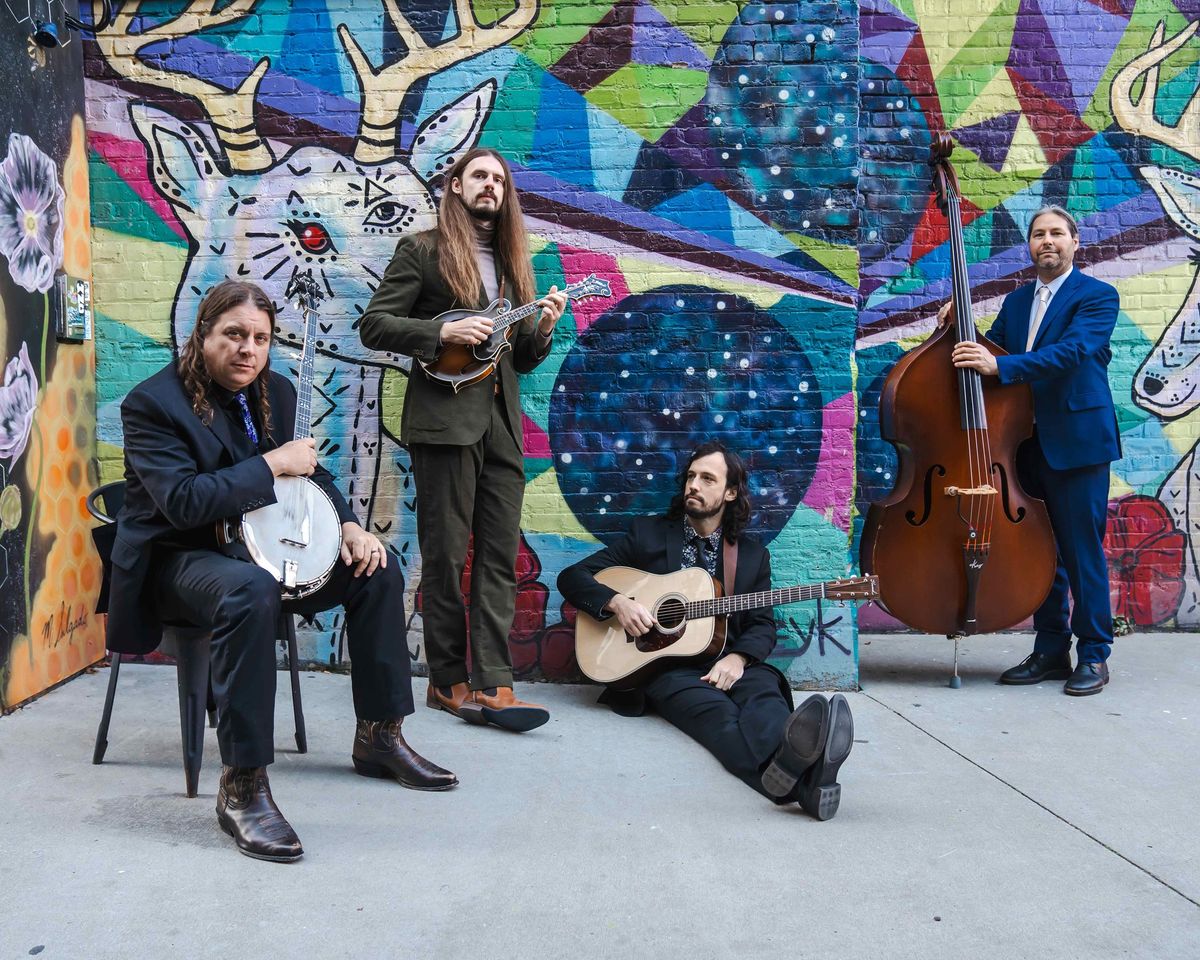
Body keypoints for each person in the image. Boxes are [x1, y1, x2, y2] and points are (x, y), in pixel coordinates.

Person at [105, 279, 455, 863]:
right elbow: (186, 503)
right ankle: (243, 785)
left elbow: (307, 474)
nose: (248, 349)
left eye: (260, 339)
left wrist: (347, 523)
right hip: (179, 558)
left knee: (378, 569)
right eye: (234, 335)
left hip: (264, 548)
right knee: (250, 590)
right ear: (204, 336)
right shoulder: (152, 404)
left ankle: (380, 736)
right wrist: (272, 463)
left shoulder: (278, 392)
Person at [360, 148, 567, 732]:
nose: (490, 186)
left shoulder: (512, 264)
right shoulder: (422, 251)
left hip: (502, 429)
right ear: (455, 186)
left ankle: (496, 683)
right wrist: (440, 329)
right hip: (445, 424)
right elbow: (374, 323)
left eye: (499, 179)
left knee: (498, 557)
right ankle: (447, 681)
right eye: (479, 175)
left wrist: (544, 328)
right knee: (448, 558)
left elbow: (519, 358)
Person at [557, 441, 854, 820]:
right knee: (718, 719)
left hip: (729, 658)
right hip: (664, 667)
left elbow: (763, 623)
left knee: (764, 698)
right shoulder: (647, 535)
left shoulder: (750, 555)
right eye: (691, 476)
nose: (693, 485)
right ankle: (809, 781)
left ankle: (798, 771)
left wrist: (739, 657)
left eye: (707, 479)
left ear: (730, 493)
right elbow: (573, 577)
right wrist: (618, 602)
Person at [951, 205, 1120, 696]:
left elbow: (1070, 353)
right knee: (1045, 554)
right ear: (1029, 246)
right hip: (1025, 447)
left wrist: (999, 367)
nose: (1047, 241)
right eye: (1038, 234)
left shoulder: (1097, 297)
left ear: (1074, 242)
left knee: (1081, 550)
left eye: (1056, 233)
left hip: (1078, 445)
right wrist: (959, 327)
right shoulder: (1018, 300)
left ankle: (1093, 654)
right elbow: (997, 350)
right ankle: (1050, 651)